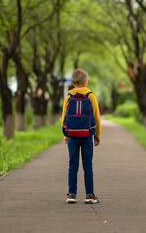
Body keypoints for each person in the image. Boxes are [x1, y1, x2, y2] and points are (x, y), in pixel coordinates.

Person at [61, 69, 101, 204]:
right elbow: (96, 117)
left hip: (72, 135)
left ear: (72, 82)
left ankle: (71, 195)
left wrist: (65, 134)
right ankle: (90, 195)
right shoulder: (91, 96)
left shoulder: (68, 96)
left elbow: (64, 117)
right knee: (87, 165)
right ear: (85, 82)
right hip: (87, 135)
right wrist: (97, 135)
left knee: (72, 165)